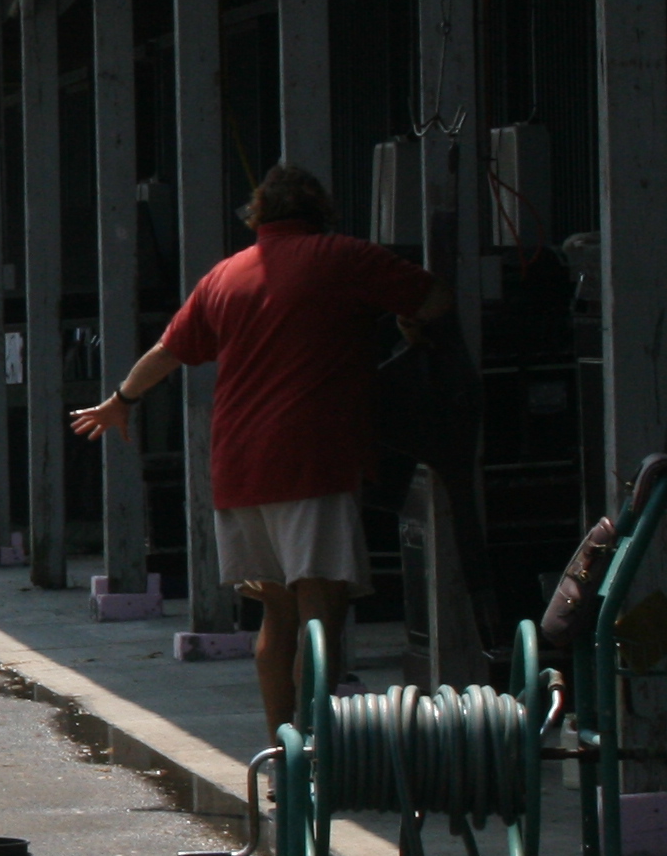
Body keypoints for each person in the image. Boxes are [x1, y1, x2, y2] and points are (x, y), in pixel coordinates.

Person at [71, 162, 447, 738]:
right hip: (310, 462)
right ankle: (317, 749)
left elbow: (168, 351)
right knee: (322, 611)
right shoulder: (342, 256)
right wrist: (406, 320)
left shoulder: (224, 277)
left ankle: (282, 754)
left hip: (238, 469)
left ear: (257, 216)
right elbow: (436, 299)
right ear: (320, 212)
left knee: (277, 612)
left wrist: (120, 400)